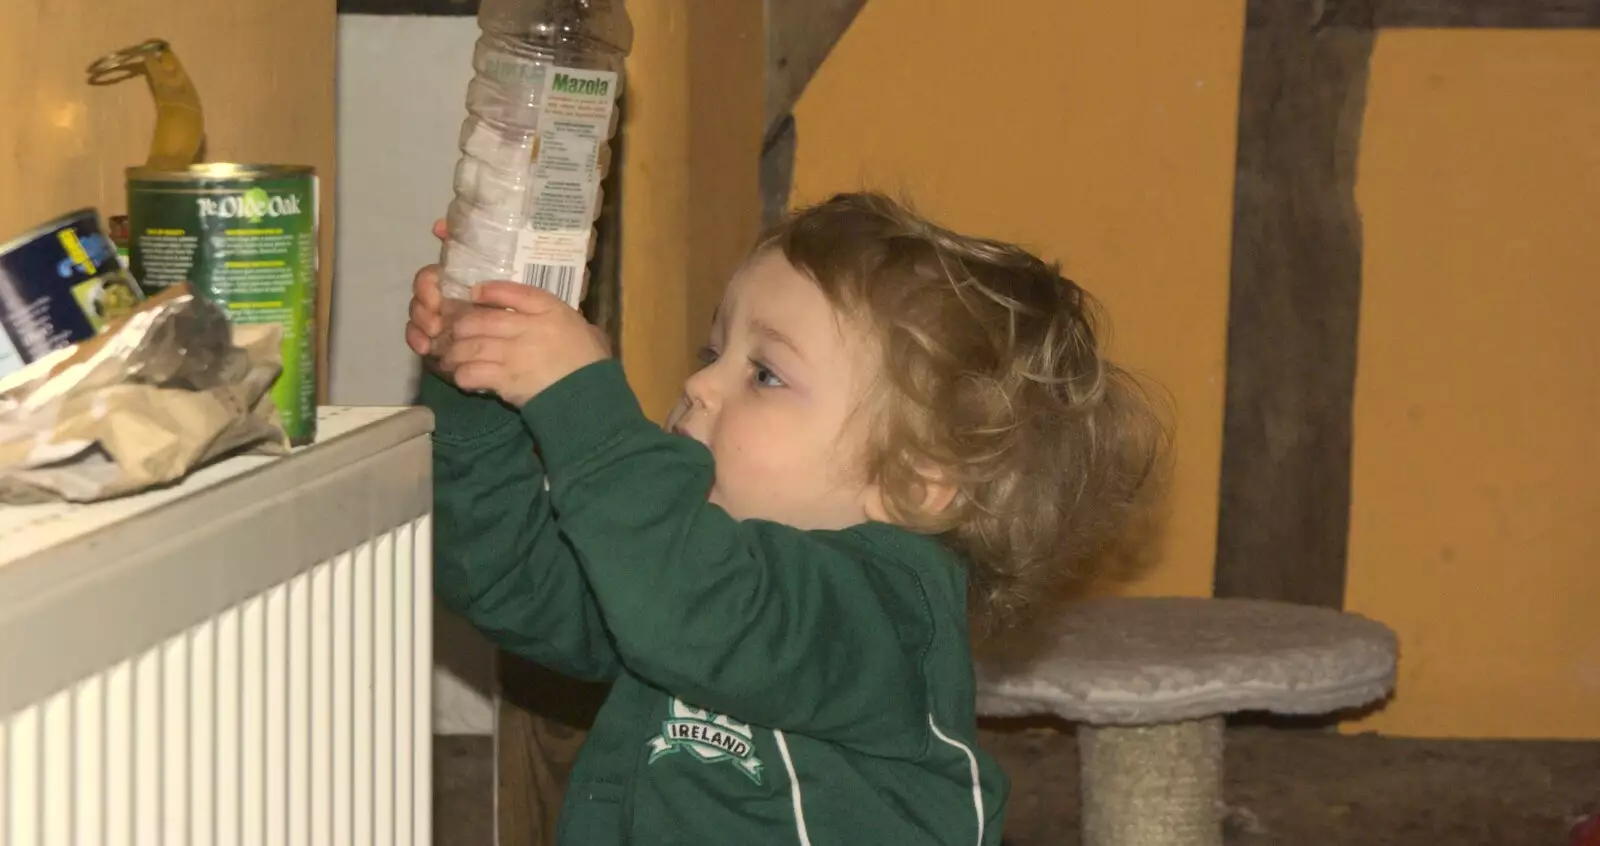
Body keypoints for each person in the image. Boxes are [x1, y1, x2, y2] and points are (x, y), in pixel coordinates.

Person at [407, 192, 1166, 845]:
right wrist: (476, 385)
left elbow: (696, 607)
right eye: (713, 349)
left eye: (764, 373)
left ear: (916, 481)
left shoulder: (889, 609)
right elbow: (509, 577)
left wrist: (580, 401)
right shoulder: (679, 588)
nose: (699, 383)